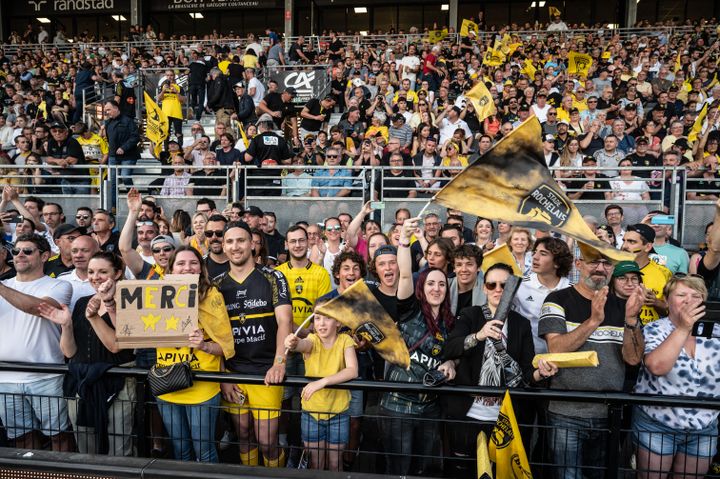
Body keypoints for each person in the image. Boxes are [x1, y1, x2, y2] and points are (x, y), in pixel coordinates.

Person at [444, 263, 558, 477]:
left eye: (504, 285)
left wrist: (540, 373)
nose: (498, 289)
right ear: (484, 288)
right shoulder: (471, 315)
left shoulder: (521, 324)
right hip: (469, 415)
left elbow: (526, 372)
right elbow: (450, 347)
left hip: (505, 418)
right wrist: (479, 335)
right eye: (492, 284)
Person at [538, 252, 646, 479]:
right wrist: (594, 320)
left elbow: (634, 359)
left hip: (609, 412)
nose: (600, 268)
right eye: (593, 262)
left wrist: (631, 321)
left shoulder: (624, 306)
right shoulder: (557, 299)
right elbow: (556, 349)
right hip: (566, 411)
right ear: (578, 264)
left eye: (606, 263)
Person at [37, 251, 135, 456]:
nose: (95, 276)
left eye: (102, 271)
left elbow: (117, 346)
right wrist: (66, 326)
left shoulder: (128, 301)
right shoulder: (81, 302)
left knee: (118, 446)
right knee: (85, 446)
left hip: (117, 383)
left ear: (117, 273)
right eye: (91, 271)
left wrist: (93, 318)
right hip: (82, 383)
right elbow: (69, 351)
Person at [380, 217, 456, 476]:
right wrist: (404, 240)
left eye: (442, 284)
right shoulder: (410, 310)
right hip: (398, 405)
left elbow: (454, 354)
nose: (436, 288)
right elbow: (403, 274)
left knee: (425, 470)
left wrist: (451, 363)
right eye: (431, 283)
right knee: (399, 470)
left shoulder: (450, 323)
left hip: (430, 408)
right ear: (422, 287)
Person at [217, 221, 291, 468]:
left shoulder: (274, 276)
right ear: (223, 246)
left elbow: (285, 321)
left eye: (240, 240)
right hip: (233, 374)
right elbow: (211, 336)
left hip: (266, 372)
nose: (235, 246)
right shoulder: (216, 285)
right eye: (229, 241)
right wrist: (222, 377)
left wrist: (279, 363)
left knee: (267, 441)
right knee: (244, 435)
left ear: (252, 244)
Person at [632, 274, 720, 479]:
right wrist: (683, 327)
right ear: (667, 300)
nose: (689, 300)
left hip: (704, 425)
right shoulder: (655, 329)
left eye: (696, 296)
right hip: (658, 423)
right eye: (681, 295)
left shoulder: (716, 332)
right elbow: (657, 366)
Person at [154, 246, 235, 462]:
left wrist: (205, 345)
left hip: (202, 387)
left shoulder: (212, 296)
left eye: (193, 263)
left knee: (205, 452)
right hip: (168, 385)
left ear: (201, 268)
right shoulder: (154, 294)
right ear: (170, 269)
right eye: (180, 263)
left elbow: (226, 347)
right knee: (180, 451)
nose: (187, 267)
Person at [0, 233, 75, 451]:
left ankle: (63, 473)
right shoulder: (4, 285)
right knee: (20, 438)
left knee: (59, 436)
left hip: (46, 375)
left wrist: (1, 288)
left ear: (44, 256)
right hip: (6, 376)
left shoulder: (58, 286)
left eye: (27, 251)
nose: (19, 255)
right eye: (15, 251)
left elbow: (38, 308)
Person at [283, 300, 358, 471]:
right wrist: (293, 343)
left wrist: (322, 382)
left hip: (338, 413)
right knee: (316, 463)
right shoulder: (312, 339)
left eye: (327, 318)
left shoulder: (345, 340)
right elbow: (301, 345)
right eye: (317, 318)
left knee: (335, 463)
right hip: (312, 413)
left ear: (338, 321)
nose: (321, 323)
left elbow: (352, 370)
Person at [513, 237, 573, 354]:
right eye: (535, 252)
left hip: (562, 359)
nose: (535, 257)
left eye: (543, 253)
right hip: (528, 359)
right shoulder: (519, 286)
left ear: (557, 262)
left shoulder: (572, 290)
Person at [620, 224, 671, 325]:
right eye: (624, 241)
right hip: (617, 331)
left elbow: (670, 310)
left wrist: (656, 302)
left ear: (648, 247)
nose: (624, 246)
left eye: (631, 242)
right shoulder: (613, 269)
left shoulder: (663, 273)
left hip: (649, 333)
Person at [103, 100, 140, 211]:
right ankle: (113, 206)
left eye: (108, 110)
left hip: (129, 155)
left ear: (116, 108)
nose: (107, 112)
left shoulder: (128, 121)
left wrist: (124, 147)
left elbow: (135, 137)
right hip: (113, 156)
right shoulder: (108, 122)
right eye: (105, 111)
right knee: (112, 181)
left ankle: (134, 197)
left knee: (125, 177)